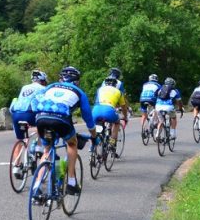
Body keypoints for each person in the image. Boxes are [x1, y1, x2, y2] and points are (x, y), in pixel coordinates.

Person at [31, 66, 96, 195]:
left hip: (41, 118)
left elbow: (35, 100)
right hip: (61, 119)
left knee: (47, 150)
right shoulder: (79, 92)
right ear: (77, 81)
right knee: (72, 143)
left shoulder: (50, 86)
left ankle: (36, 186)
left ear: (61, 79)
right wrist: (94, 136)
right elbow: (88, 117)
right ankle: (71, 182)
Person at [9, 69, 48, 177]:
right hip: (30, 114)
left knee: (20, 139)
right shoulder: (43, 88)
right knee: (42, 124)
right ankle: (39, 147)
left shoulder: (24, 87)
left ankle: (16, 167)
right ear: (43, 81)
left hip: (16, 115)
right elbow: (44, 105)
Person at [93, 75, 129, 155]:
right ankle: (112, 143)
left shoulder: (99, 89)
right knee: (116, 123)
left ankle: (93, 147)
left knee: (97, 127)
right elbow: (124, 107)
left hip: (96, 110)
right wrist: (125, 117)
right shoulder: (118, 92)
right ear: (116, 85)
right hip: (109, 111)